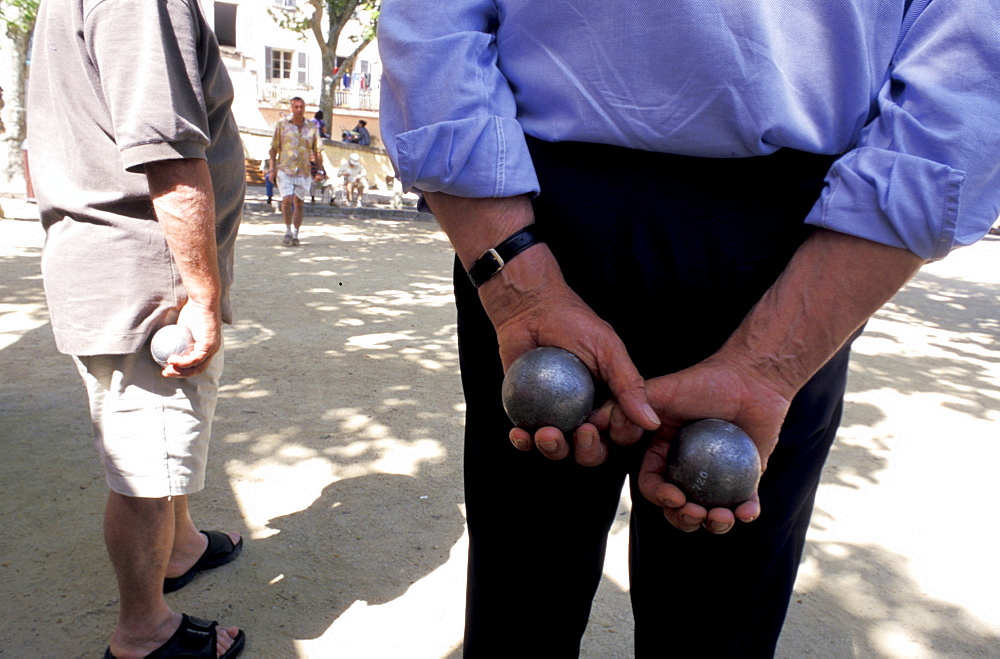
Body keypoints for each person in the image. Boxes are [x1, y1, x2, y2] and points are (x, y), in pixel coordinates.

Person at [378, 2, 1000, 656]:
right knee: (520, 607)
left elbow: (969, 76)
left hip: (782, 259)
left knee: (711, 632)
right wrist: (518, 289)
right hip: (538, 227)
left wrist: (769, 364)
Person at [28, 0, 248, 657]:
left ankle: (178, 548)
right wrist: (203, 294)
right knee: (146, 465)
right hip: (143, 278)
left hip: (119, 266)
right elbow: (167, 150)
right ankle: (144, 632)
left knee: (162, 442)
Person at [269, 96, 322, 246]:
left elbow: (318, 150)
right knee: (286, 200)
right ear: (291, 108)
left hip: (303, 171)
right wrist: (272, 169)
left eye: (301, 107)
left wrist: (320, 170)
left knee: (299, 202)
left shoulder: (312, 127)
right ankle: (287, 231)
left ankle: (296, 234)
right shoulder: (282, 125)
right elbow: (273, 148)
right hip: (285, 169)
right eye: (296, 106)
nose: (299, 109)